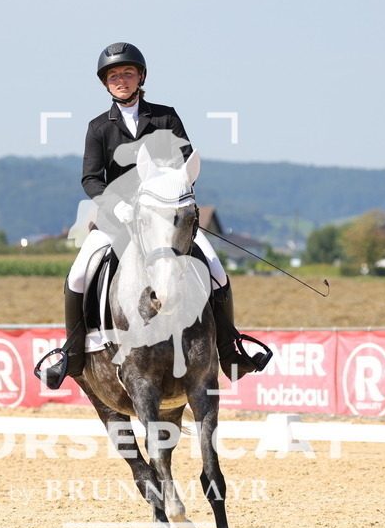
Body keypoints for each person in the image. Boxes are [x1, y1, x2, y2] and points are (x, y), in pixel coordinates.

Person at [40, 42, 270, 389]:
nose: (121, 80)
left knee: (216, 269)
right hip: (117, 220)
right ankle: (72, 355)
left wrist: (172, 201)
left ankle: (230, 351)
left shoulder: (166, 117)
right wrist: (116, 205)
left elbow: (186, 165)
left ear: (141, 77)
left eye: (128, 73)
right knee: (78, 275)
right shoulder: (98, 127)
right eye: (113, 76)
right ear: (105, 83)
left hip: (165, 219)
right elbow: (90, 178)